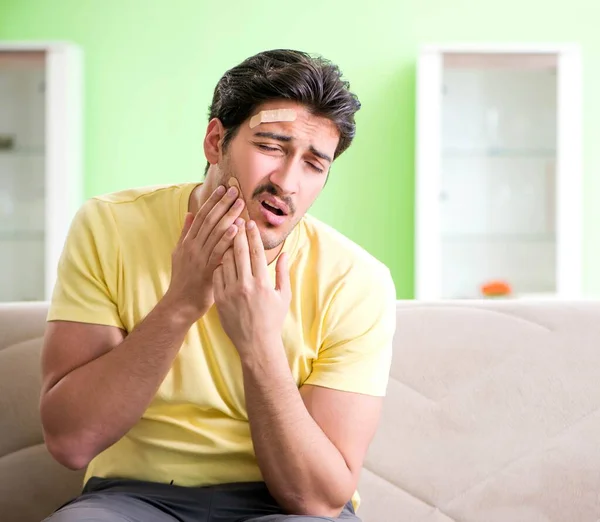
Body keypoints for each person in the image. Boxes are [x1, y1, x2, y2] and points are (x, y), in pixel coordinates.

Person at [39, 49, 397, 522]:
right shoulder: (110, 227)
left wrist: (259, 344)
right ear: (215, 140)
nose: (288, 182)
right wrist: (180, 305)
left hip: (281, 507)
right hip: (132, 498)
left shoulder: (356, 280)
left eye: (314, 163)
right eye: (271, 146)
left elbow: (317, 500)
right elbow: (70, 441)